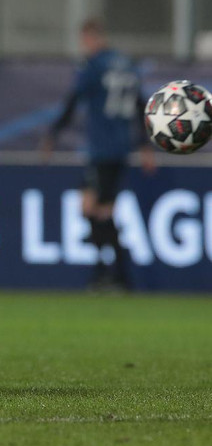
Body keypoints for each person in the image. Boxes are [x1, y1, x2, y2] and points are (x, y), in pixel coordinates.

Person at [42, 19, 154, 291]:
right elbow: (141, 104)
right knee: (96, 209)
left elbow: (73, 99)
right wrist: (144, 144)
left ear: (90, 38)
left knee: (96, 211)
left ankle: (114, 275)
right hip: (121, 148)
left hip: (102, 149)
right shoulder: (125, 64)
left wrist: (53, 134)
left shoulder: (93, 66)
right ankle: (108, 274)